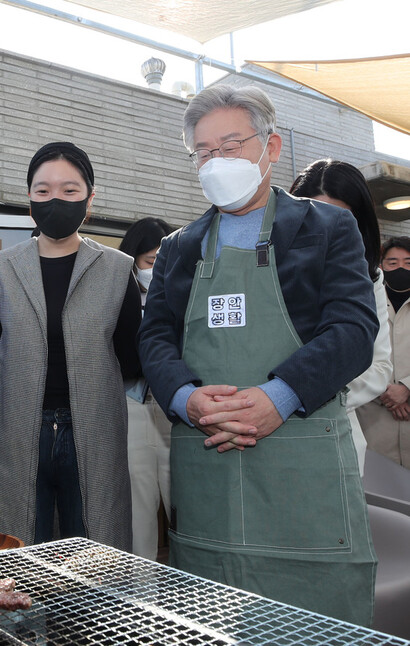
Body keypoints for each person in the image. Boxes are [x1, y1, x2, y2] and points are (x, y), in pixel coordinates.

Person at [137, 85, 378, 624]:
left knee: (313, 622)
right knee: (210, 616)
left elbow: (354, 329)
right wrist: (186, 397)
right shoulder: (180, 246)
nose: (216, 161)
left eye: (230, 145)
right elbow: (154, 338)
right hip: (208, 461)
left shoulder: (328, 228)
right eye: (203, 152)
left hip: (302, 456)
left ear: (270, 148)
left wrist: (278, 396)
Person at [0, 141, 141, 549]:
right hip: (13, 427)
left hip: (95, 427)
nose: (55, 200)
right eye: (43, 190)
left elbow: (130, 358)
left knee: (94, 544)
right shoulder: (1, 268)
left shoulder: (118, 270)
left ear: (89, 198)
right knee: (15, 543)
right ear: (29, 197)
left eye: (70, 191)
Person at [290, 159, 392, 474]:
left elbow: (379, 368)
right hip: (260, 440)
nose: (326, 229)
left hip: (333, 436)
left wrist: (291, 396)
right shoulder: (262, 267)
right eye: (314, 215)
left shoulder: (369, 279)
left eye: (340, 218)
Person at [119, 216, 174, 560]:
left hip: (177, 411)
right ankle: (141, 600)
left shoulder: (184, 298)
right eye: (151, 262)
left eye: (164, 261)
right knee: (138, 515)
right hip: (132, 407)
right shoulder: (118, 298)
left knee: (186, 512)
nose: (157, 269)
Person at [357, 236, 410, 468]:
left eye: (408, 263)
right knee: (380, 490)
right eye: (393, 263)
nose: (401, 269)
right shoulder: (366, 302)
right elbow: (354, 352)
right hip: (374, 415)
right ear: (381, 267)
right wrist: (386, 392)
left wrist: (406, 388)